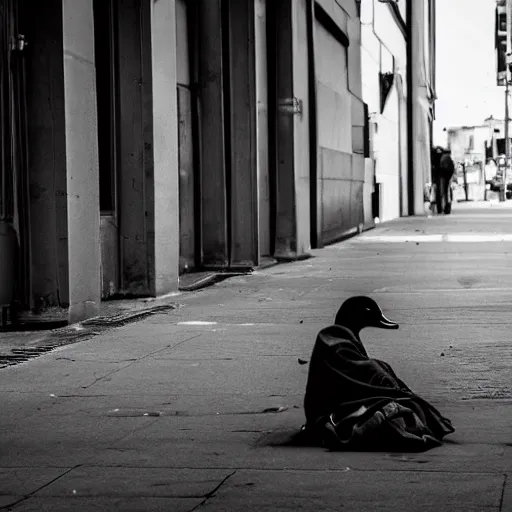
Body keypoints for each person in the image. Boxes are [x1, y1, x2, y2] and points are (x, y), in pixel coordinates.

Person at [432, 147, 455, 214]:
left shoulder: (443, 158)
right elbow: (451, 169)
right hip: (445, 177)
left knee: (442, 192)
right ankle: (446, 208)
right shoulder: (447, 158)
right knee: (446, 192)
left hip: (442, 176)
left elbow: (439, 168)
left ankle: (442, 208)